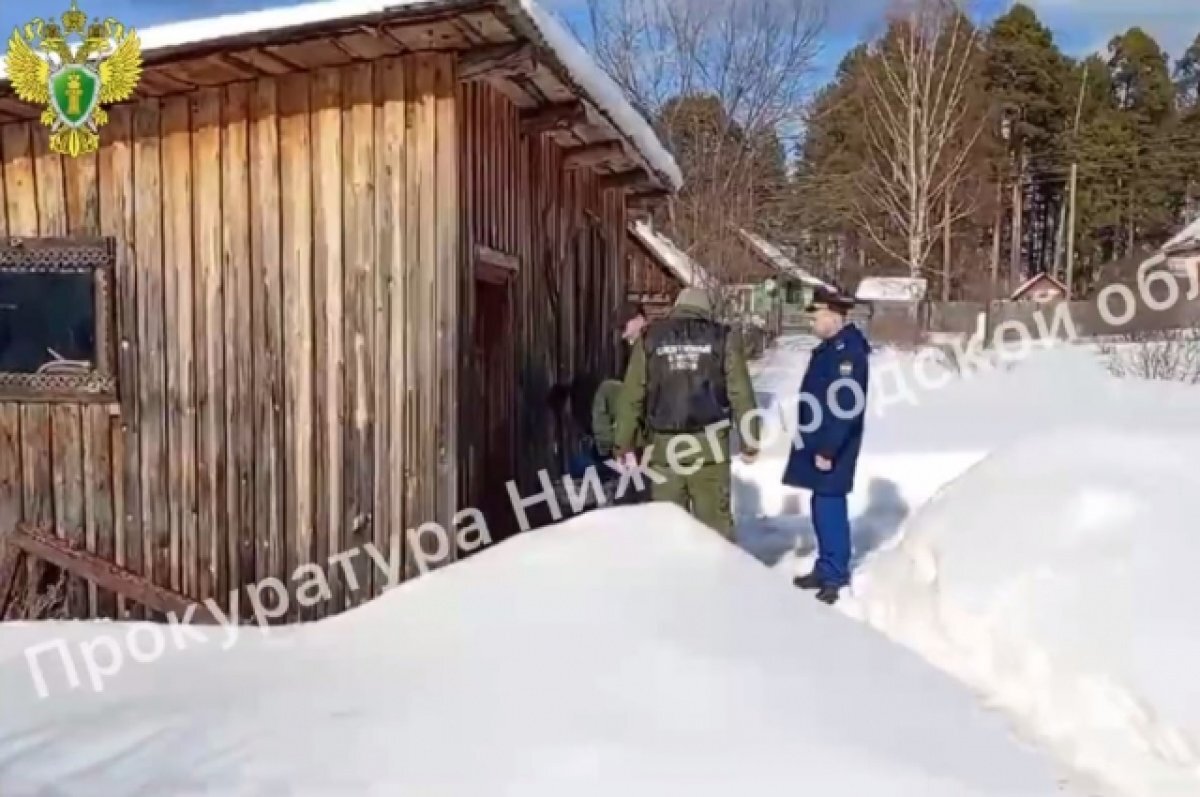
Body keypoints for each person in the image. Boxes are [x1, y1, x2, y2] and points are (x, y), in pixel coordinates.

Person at [614, 287, 759, 540]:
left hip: (665, 451)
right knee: (715, 532)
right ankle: (717, 578)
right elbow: (741, 393)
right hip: (710, 450)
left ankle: (673, 578)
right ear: (706, 310)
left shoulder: (649, 338)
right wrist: (750, 440)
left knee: (667, 532)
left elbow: (631, 396)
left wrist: (623, 443)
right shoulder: (723, 338)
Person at [783, 286, 871, 606]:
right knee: (821, 505)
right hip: (819, 438)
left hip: (833, 444)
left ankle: (835, 574)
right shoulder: (832, 348)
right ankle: (825, 566)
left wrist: (828, 448)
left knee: (831, 506)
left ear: (833, 315)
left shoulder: (849, 352)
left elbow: (847, 405)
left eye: (816, 315)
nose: (812, 323)